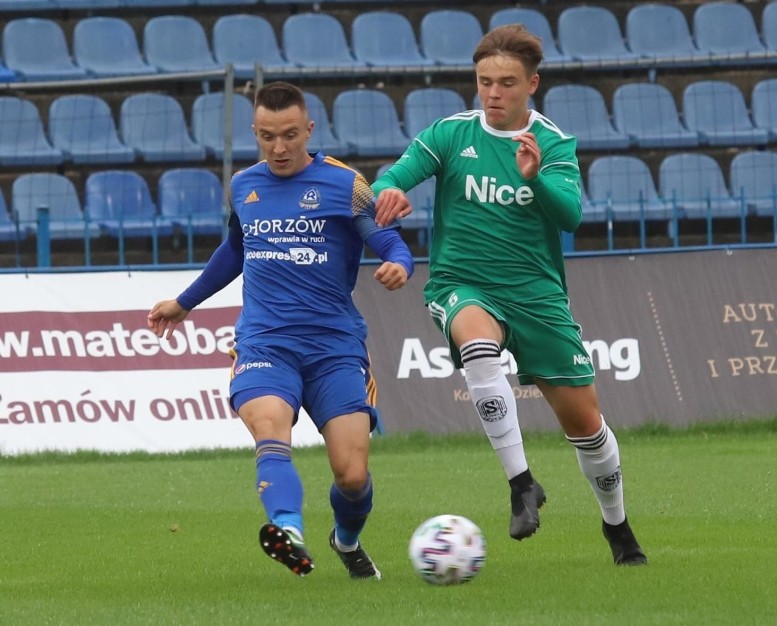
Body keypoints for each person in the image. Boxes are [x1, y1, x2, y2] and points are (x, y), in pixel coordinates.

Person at [372, 25, 646, 565]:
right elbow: (390, 177)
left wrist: (536, 177)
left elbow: (570, 215)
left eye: (506, 83)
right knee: (476, 344)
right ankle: (521, 483)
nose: (493, 93)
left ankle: (617, 527)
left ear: (532, 85)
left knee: (587, 428)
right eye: (484, 82)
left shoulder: (552, 143)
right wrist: (391, 192)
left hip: (537, 296)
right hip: (462, 283)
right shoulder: (451, 135)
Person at [147, 81, 414, 579]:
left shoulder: (345, 184)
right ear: (256, 132)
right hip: (265, 342)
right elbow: (235, 250)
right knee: (270, 429)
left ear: (309, 129)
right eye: (267, 136)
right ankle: (287, 531)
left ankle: (346, 539)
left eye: (290, 134)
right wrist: (185, 303)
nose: (280, 147)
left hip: (335, 347)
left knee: (352, 476)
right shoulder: (244, 186)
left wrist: (400, 265)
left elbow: (389, 241)